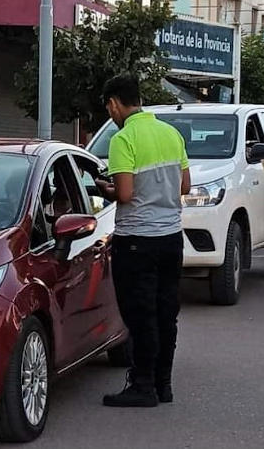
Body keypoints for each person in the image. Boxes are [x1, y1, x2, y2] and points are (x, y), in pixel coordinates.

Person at [95, 74, 191, 407]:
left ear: (113, 104)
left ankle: (142, 385)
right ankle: (163, 384)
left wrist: (104, 188)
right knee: (166, 313)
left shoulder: (124, 140)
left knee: (140, 315)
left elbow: (124, 193)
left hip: (136, 240)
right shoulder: (171, 134)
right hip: (171, 238)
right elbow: (185, 187)